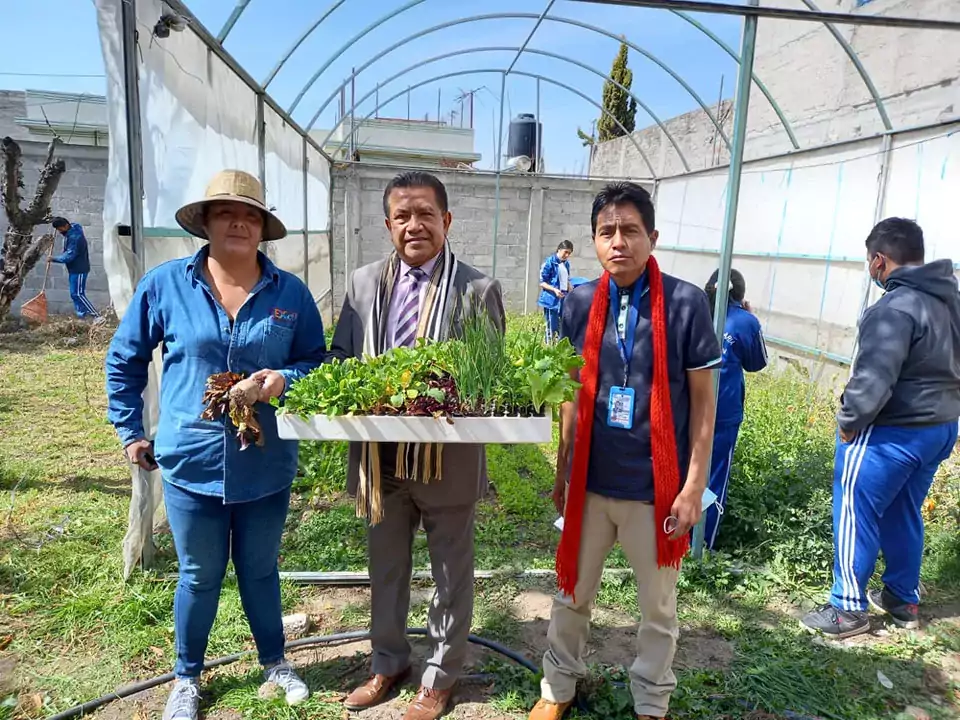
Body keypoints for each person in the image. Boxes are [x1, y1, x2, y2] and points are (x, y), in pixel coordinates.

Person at [105, 170, 327, 720]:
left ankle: (275, 663)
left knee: (260, 570)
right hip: (190, 459)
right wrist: (131, 430)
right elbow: (126, 359)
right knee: (200, 575)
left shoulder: (289, 293)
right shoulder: (166, 285)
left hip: (266, 462)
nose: (238, 222)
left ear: (262, 228)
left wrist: (283, 380)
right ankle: (187, 679)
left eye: (250, 214)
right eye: (226, 212)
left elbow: (317, 363)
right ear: (205, 221)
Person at [529, 182, 721, 720]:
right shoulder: (581, 302)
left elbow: (704, 405)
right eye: (607, 231)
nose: (619, 242)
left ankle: (652, 699)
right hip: (591, 484)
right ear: (593, 240)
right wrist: (563, 470)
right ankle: (557, 689)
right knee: (571, 594)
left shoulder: (685, 303)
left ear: (652, 237)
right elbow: (570, 394)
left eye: (630, 230)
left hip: (654, 491)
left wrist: (692, 486)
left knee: (657, 609)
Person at [331, 171, 505, 720]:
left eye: (426, 214)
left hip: (446, 460)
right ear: (387, 225)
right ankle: (389, 662)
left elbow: (493, 379)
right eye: (402, 216)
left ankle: (440, 676)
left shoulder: (477, 291)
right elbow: (340, 358)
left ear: (447, 221)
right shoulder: (361, 284)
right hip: (379, 460)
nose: (414, 225)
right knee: (385, 565)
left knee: (451, 571)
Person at [801, 218, 960, 639]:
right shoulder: (951, 302)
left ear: (879, 260)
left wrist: (849, 421)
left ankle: (847, 608)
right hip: (941, 428)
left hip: (894, 431)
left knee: (856, 507)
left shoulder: (893, 309)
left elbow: (874, 378)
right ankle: (902, 597)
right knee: (903, 509)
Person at [702, 268, 767, 549]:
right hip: (723, 411)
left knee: (682, 468)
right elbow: (757, 363)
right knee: (715, 476)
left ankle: (669, 535)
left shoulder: (695, 312)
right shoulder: (744, 322)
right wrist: (750, 317)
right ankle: (704, 542)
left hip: (688, 407)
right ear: (740, 294)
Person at [50, 216, 103, 321]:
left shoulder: (75, 237)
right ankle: (81, 316)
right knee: (74, 294)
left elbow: (69, 256)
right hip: (74, 269)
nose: (59, 231)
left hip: (79, 269)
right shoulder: (74, 227)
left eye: (60, 229)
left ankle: (96, 316)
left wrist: (53, 259)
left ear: (66, 226)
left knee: (78, 294)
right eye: (57, 230)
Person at [538, 240, 573, 343]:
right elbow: (542, 282)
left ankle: (558, 346)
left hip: (563, 298)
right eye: (565, 252)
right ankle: (549, 346)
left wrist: (569, 287)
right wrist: (554, 289)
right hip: (551, 299)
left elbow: (565, 279)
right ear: (559, 250)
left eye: (569, 253)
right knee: (551, 325)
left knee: (561, 325)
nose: (567, 255)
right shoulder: (549, 263)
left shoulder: (566, 264)